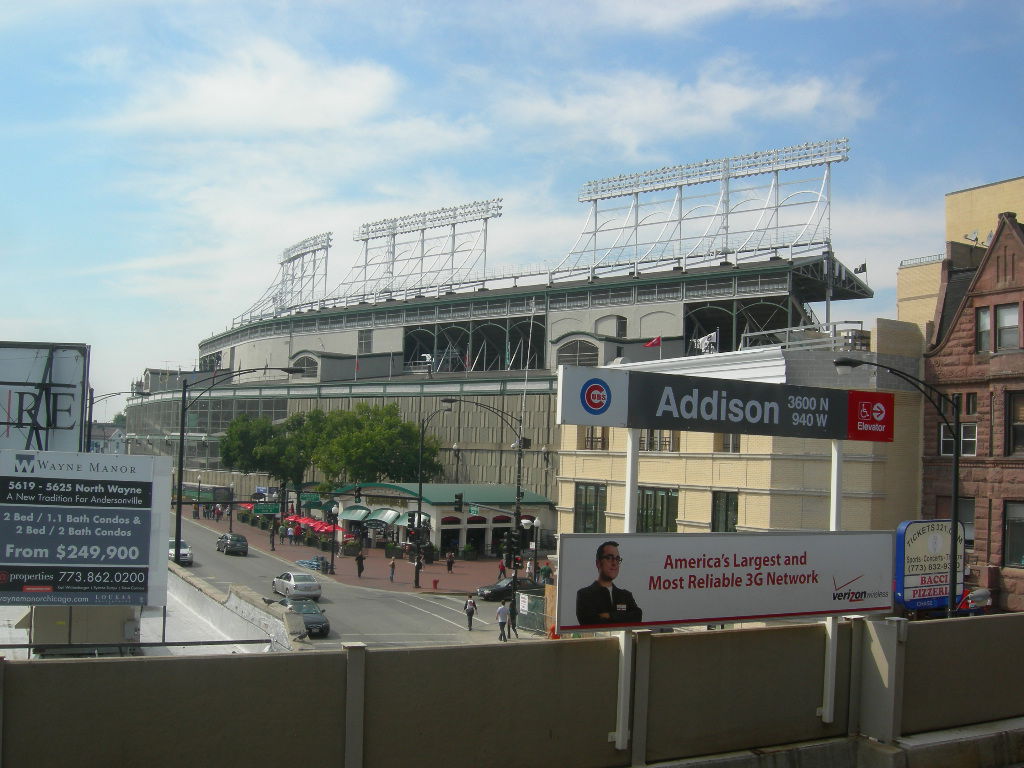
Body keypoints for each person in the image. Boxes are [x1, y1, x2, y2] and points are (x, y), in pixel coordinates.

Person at [575, 541, 642, 627]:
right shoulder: (585, 595)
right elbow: (590, 623)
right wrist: (623, 618)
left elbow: (637, 616)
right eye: (609, 558)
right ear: (598, 563)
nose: (614, 563)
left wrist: (610, 616)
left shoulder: (625, 595)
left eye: (617, 559)